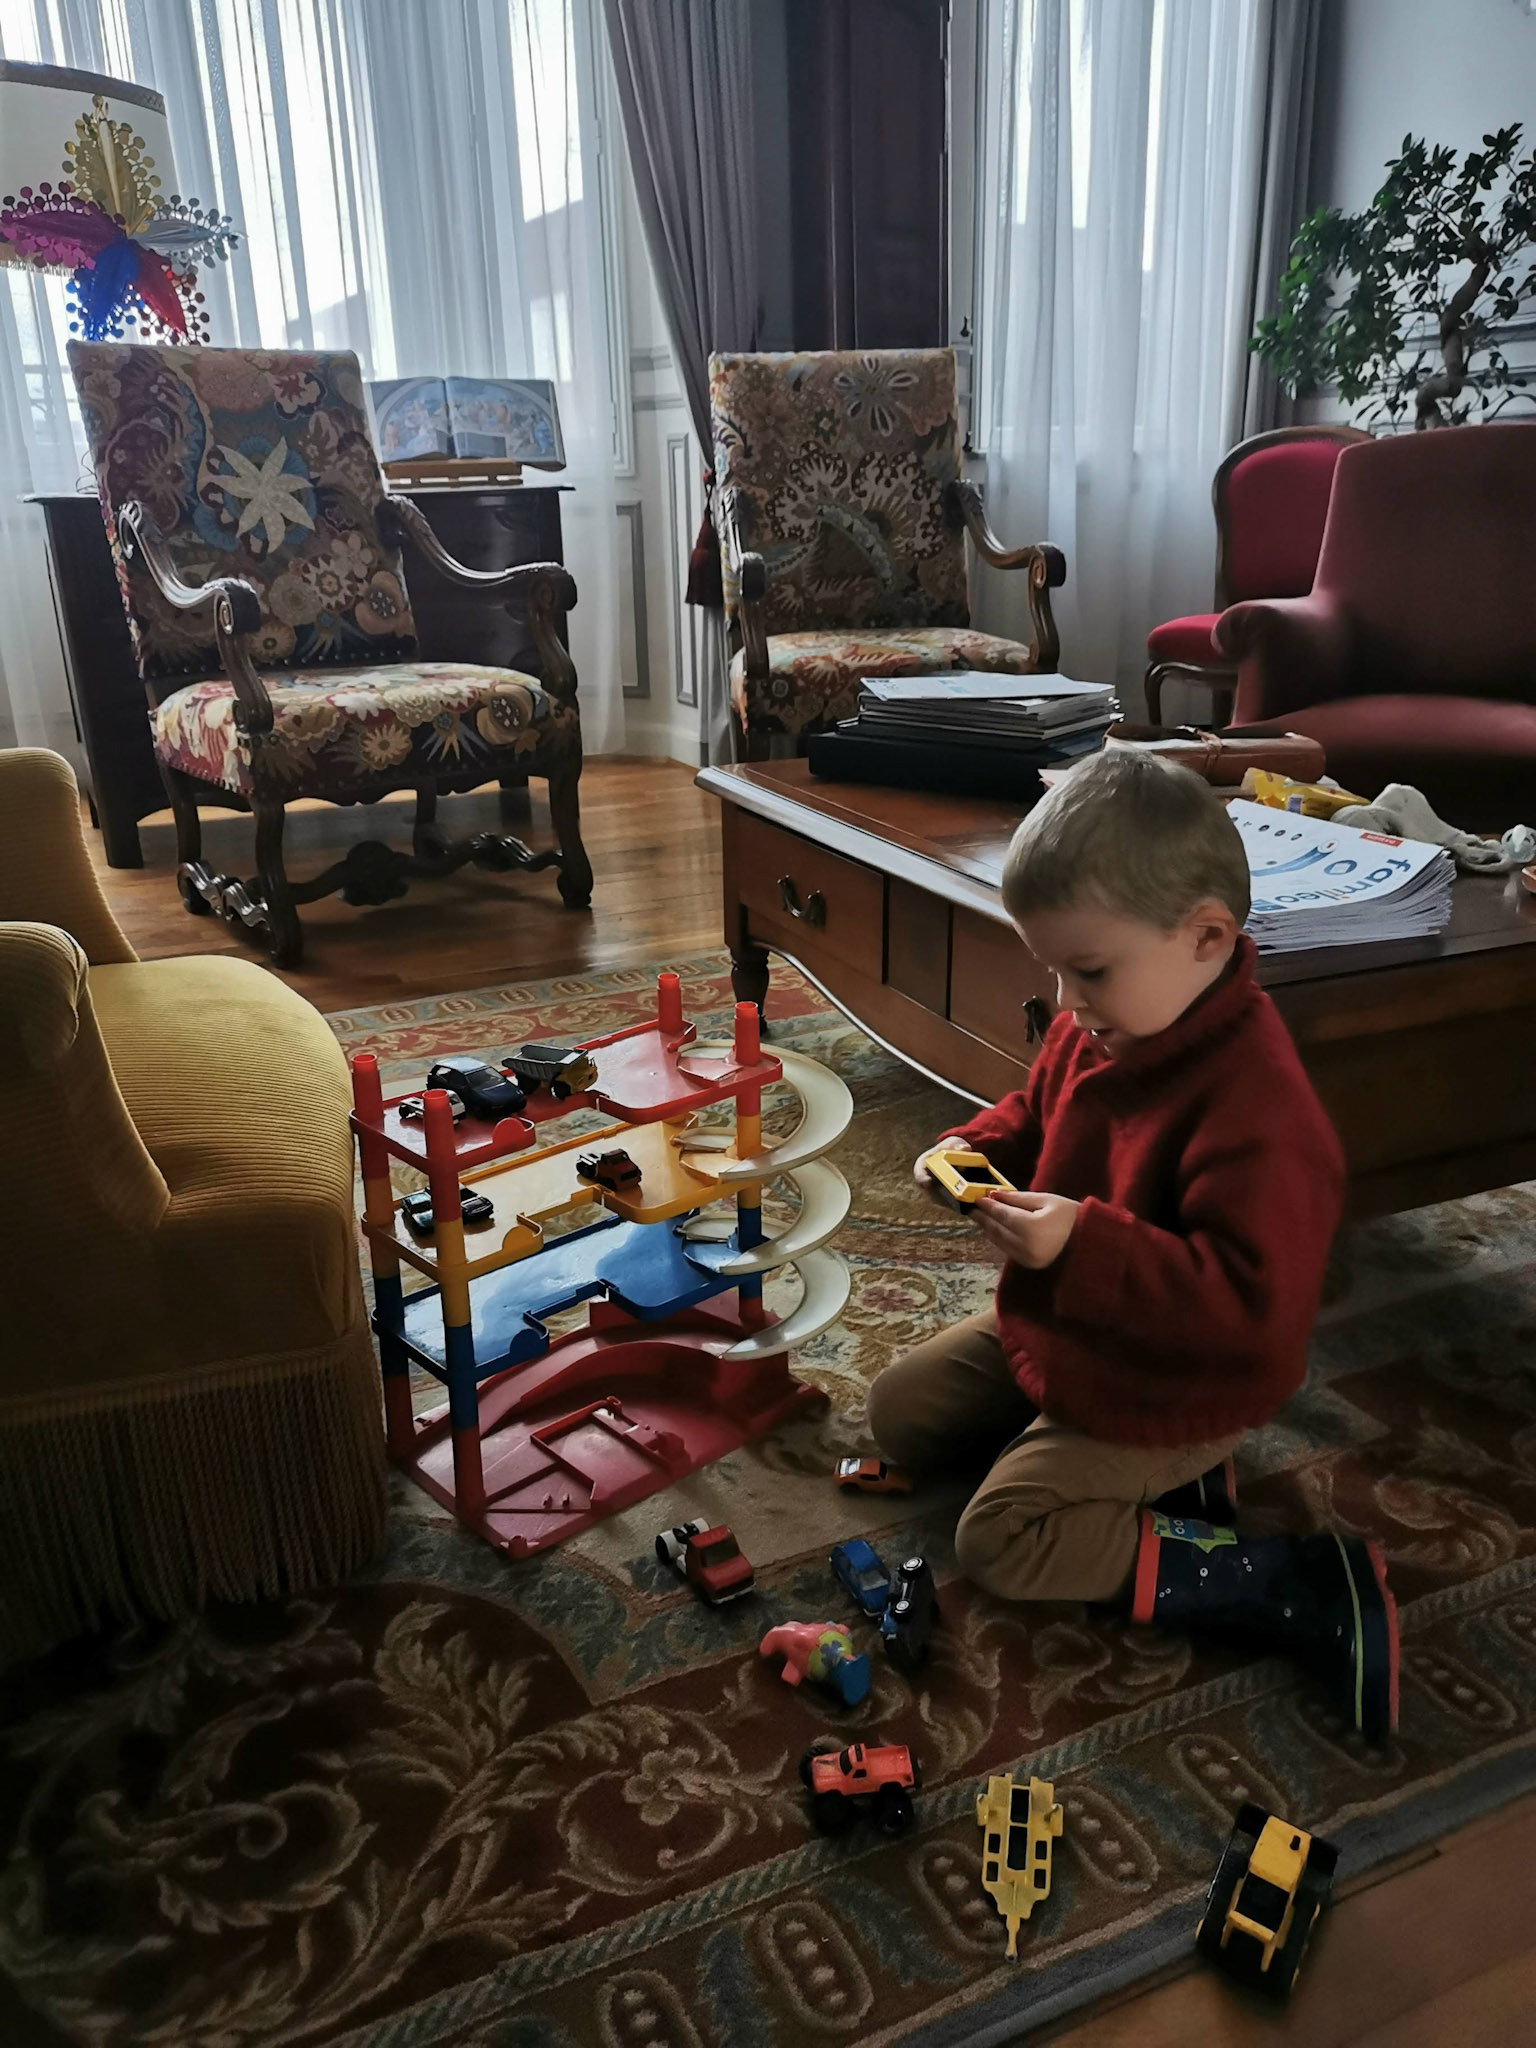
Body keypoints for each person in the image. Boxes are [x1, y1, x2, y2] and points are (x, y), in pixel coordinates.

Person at [867, 750, 1398, 1741]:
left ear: (1205, 936)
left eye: (1090, 970)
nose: (1068, 1003)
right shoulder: (1110, 1023)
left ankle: (1280, 1576)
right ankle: (1120, 1476)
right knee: (897, 1415)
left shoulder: (1262, 1110)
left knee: (1003, 1541)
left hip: (1182, 1379)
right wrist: (970, 1147)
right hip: (1073, 1325)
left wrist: (1081, 1246)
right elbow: (1036, 1109)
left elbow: (1250, 1315)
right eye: (1057, 970)